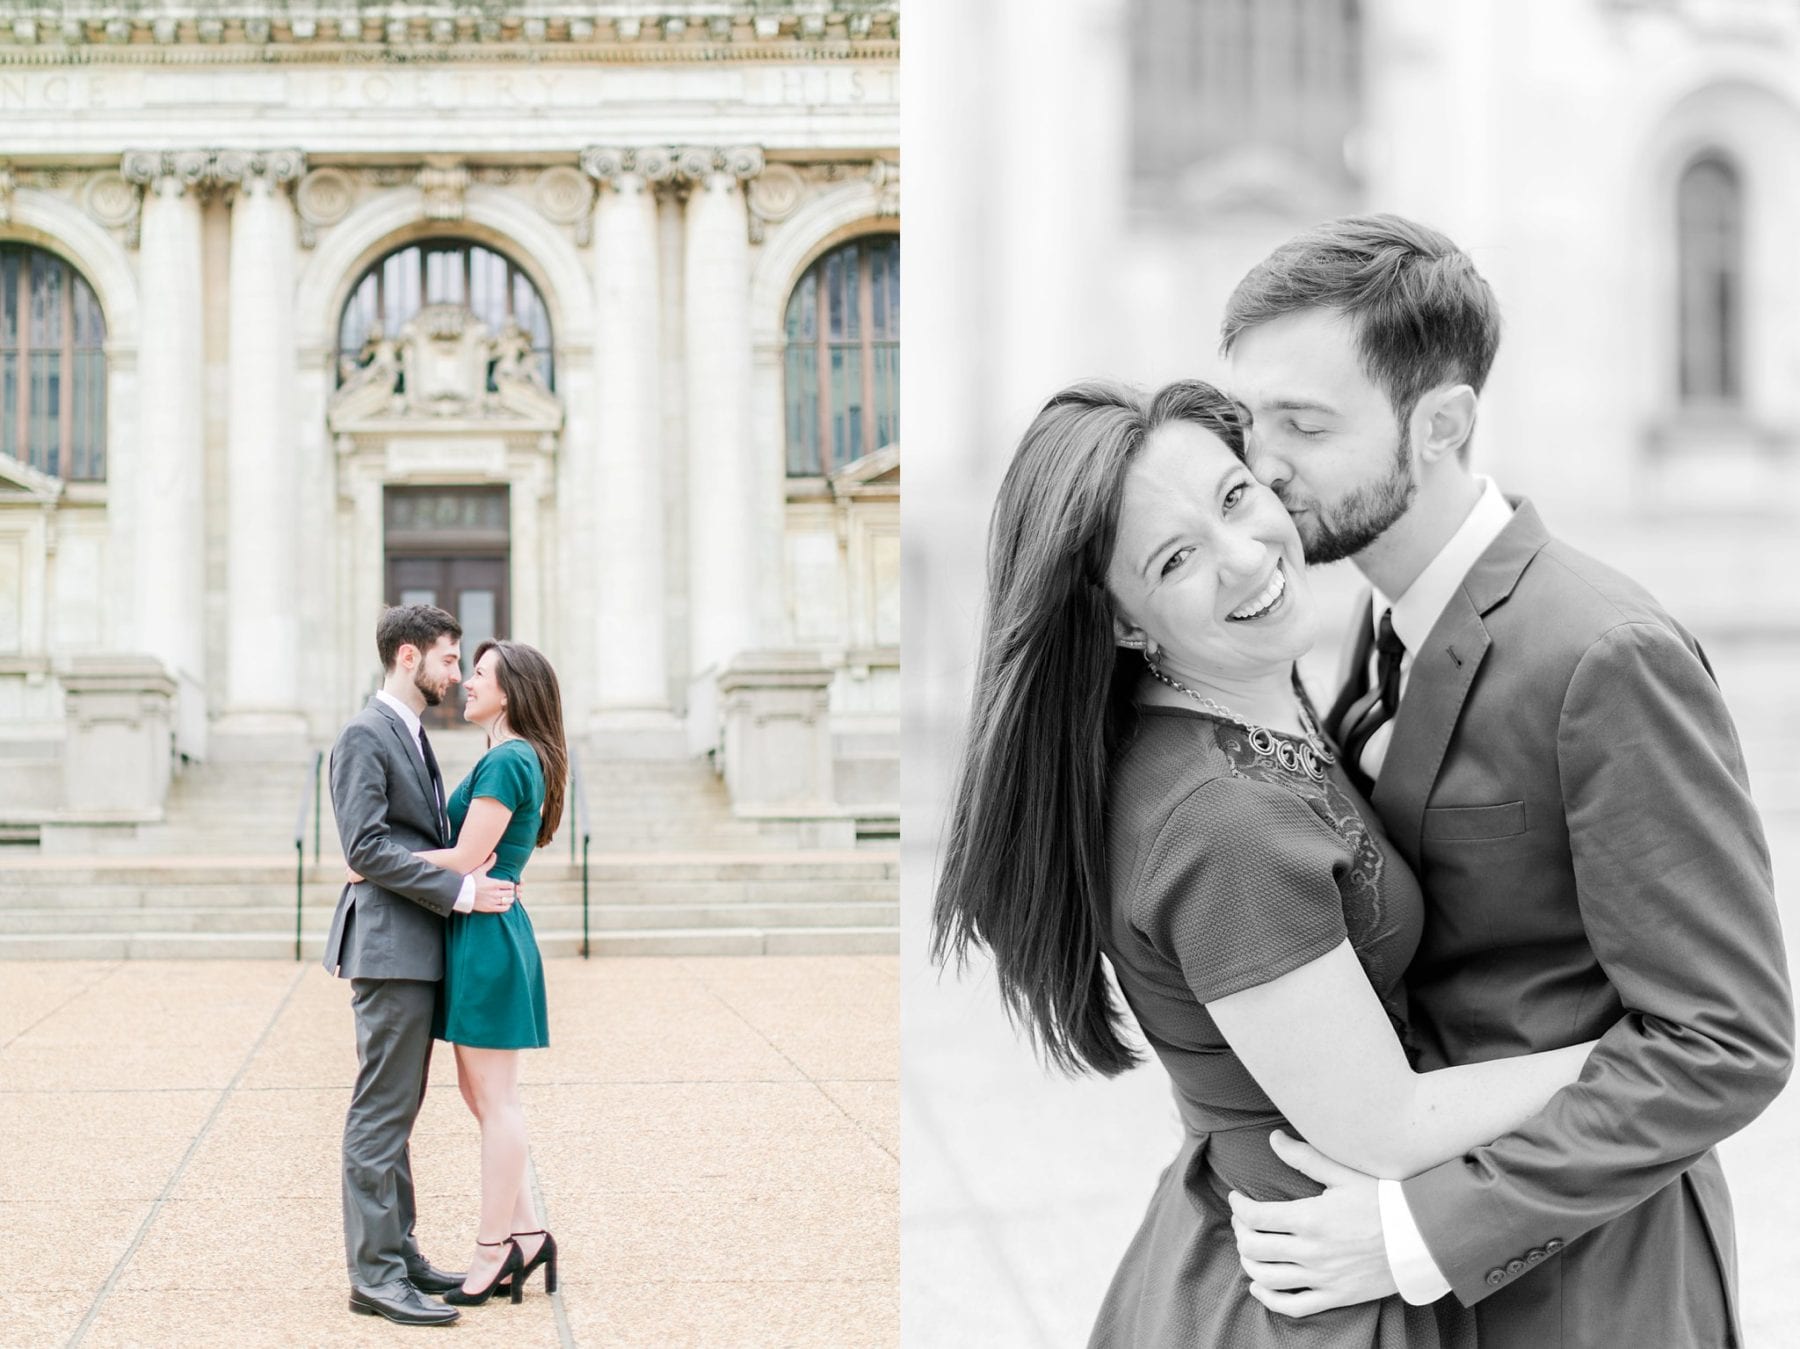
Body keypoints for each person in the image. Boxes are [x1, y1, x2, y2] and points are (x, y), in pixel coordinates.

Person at [932, 378, 1605, 1347]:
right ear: (1124, 621)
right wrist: (1638, 1051)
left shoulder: (1244, 691)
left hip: (1277, 1245)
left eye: (1236, 497)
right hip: (1313, 1294)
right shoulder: (1222, 821)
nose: (1247, 558)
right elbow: (1388, 1119)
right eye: (1176, 558)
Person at [1220, 214, 1793, 1347]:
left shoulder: (1605, 654)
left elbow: (1729, 1038)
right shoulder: (1372, 620)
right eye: (1249, 419)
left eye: (1306, 423)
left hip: (1596, 1289)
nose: (1260, 462)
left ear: (1443, 425)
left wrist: (1420, 1232)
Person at [324, 604, 518, 1327]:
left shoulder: (408, 733)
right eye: (447, 656)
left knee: (397, 1109)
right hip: (387, 947)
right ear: (408, 657)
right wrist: (462, 888)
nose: (454, 671)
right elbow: (364, 848)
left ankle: (397, 1253)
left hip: (411, 944)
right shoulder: (363, 734)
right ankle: (373, 1274)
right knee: (380, 1112)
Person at [400, 638, 564, 1306]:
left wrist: (376, 859)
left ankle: (492, 1248)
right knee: (481, 1098)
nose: (467, 682)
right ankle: (526, 1234)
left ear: (513, 691)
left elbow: (470, 852)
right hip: (481, 930)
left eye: (480, 674)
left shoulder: (510, 761)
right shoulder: (510, 757)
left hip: (490, 935)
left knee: (496, 1100)